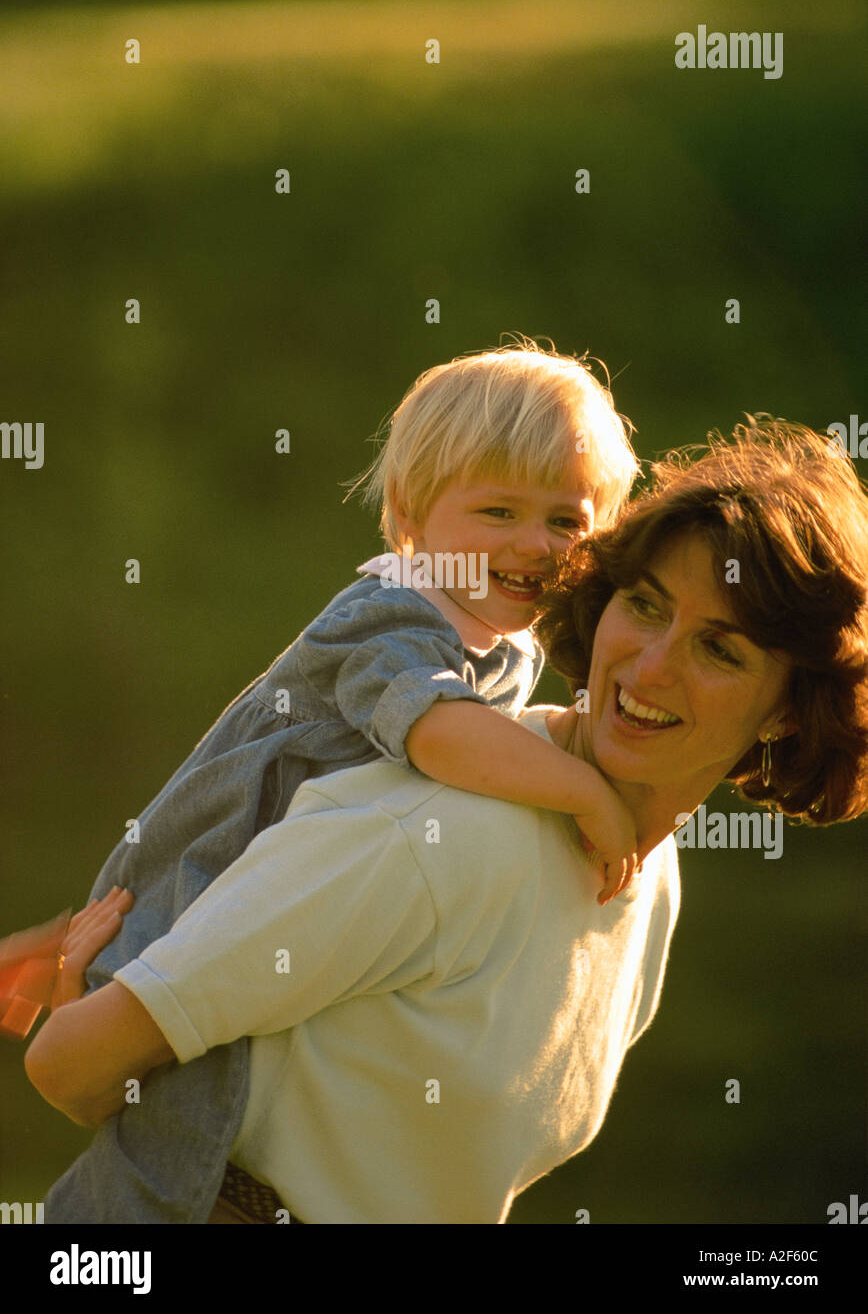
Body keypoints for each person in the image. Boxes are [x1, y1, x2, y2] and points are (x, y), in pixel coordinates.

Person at [26, 418, 868, 1224]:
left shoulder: (652, 878)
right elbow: (68, 1062)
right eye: (645, 605)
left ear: (788, 712)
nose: (651, 666)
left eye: (720, 649)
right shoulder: (449, 828)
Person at [25, 338, 641, 1224]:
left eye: (567, 522)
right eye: (497, 511)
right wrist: (587, 794)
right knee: (174, 1155)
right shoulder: (385, 618)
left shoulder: (506, 648)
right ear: (410, 520)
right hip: (182, 907)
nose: (533, 545)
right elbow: (439, 736)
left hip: (262, 935)